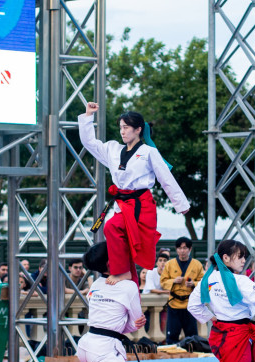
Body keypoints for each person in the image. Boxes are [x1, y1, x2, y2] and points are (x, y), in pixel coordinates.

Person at [79, 102, 190, 284]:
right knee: (121, 242)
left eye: (127, 127)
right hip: (121, 203)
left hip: (141, 205)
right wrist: (88, 116)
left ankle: (120, 271)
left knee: (111, 227)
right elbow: (89, 143)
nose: (122, 132)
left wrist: (181, 205)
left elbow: (166, 179)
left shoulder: (149, 152)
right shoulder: (113, 149)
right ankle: (128, 280)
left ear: (138, 129)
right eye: (121, 127)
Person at [65, 242, 146, 362]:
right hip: (103, 350)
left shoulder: (96, 284)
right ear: (111, 262)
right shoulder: (129, 287)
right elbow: (134, 323)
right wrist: (134, 323)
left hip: (86, 346)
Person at [160, 237, 204, 343]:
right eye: (180, 248)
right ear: (176, 249)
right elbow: (163, 282)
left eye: (185, 248)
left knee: (193, 337)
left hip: (190, 304)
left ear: (190, 249)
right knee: (171, 337)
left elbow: (205, 283)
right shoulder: (169, 264)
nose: (182, 251)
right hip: (174, 304)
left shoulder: (197, 264)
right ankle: (171, 358)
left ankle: (193, 357)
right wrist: (174, 281)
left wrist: (194, 283)